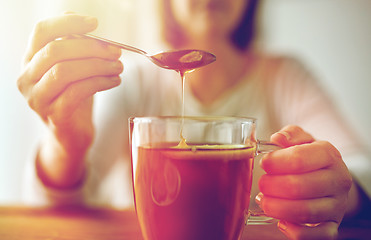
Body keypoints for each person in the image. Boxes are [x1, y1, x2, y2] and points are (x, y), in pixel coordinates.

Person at [17, 0, 370, 239]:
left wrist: (340, 190)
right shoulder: (136, 82)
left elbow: (360, 170)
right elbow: (53, 211)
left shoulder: (283, 77)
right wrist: (67, 146)